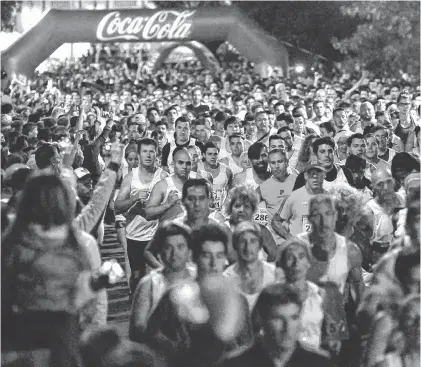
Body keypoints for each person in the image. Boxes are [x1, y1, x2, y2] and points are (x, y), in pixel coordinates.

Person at [144, 224, 252, 366]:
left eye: (219, 256)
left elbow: (247, 345)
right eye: (206, 256)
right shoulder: (175, 296)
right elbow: (151, 334)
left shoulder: (238, 300)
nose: (214, 263)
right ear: (194, 257)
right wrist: (177, 351)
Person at [222, 283, 334, 367]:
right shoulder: (235, 363)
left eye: (294, 318)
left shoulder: (320, 363)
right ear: (261, 320)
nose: (288, 327)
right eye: (278, 319)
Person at [115, 138, 167, 293]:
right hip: (135, 235)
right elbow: (117, 207)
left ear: (157, 153)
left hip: (157, 235)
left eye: (152, 151)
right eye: (145, 151)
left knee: (158, 276)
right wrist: (134, 198)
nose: (148, 155)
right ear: (139, 154)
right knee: (137, 276)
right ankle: (136, 304)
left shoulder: (163, 176)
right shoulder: (131, 178)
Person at [129, 222, 195, 343]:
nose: (174, 253)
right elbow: (137, 328)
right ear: (160, 252)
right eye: (168, 247)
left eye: (180, 247)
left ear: (189, 251)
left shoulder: (199, 279)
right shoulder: (149, 283)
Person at [145, 178, 234, 268]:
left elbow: (234, 262)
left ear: (209, 200)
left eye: (201, 198)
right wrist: (164, 271)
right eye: (191, 199)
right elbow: (148, 252)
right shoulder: (173, 227)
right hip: (180, 280)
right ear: (183, 201)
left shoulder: (221, 229)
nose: (196, 204)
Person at [224, 221, 284, 310]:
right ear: (235, 245)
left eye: (253, 241)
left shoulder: (274, 275)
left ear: (260, 245)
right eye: (242, 242)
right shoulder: (227, 278)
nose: (248, 247)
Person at [224, 184, 277, 262]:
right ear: (230, 208)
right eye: (237, 206)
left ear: (253, 210)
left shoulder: (262, 231)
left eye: (246, 206)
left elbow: (274, 256)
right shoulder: (223, 229)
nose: (241, 210)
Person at [363, 168, 405, 267]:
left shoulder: (405, 199)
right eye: (380, 184)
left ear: (394, 182)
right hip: (383, 268)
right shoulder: (368, 212)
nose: (386, 187)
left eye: (389, 182)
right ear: (372, 187)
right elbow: (361, 246)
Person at [257, 149, 297, 246]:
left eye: (280, 161)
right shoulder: (263, 188)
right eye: (273, 163)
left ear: (287, 162)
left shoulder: (298, 180)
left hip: (298, 240)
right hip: (276, 244)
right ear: (269, 165)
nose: (277, 166)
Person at [144, 147, 194, 223]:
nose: (184, 167)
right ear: (173, 164)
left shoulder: (197, 186)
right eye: (180, 163)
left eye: (188, 163)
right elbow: (147, 214)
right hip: (169, 233)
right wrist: (168, 204)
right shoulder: (163, 185)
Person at [202, 142, 233, 212]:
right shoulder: (197, 169)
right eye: (210, 154)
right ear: (204, 155)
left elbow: (230, 192)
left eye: (215, 154)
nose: (213, 157)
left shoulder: (227, 171)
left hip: (221, 211)